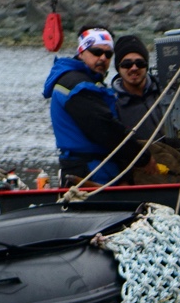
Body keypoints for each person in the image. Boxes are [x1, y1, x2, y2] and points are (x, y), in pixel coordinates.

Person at [42, 26, 127, 185]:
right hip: (88, 169)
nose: (103, 58)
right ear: (81, 52)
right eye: (96, 52)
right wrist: (142, 158)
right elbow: (104, 130)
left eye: (108, 54)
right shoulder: (77, 85)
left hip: (99, 166)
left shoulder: (90, 83)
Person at [111, 35, 162, 139]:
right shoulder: (112, 103)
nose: (134, 68)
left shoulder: (165, 92)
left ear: (147, 66)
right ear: (118, 68)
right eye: (127, 64)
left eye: (140, 63)